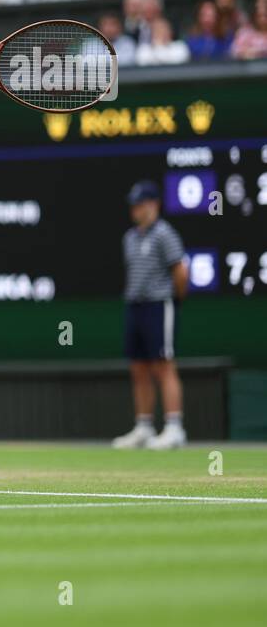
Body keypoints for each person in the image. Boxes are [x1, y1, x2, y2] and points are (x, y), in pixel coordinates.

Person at [113, 181, 189, 450]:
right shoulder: (130, 237)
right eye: (134, 204)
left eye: (141, 203)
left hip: (159, 304)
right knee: (139, 367)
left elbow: (180, 271)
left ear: (154, 204)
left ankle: (174, 427)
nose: (136, 209)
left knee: (163, 364)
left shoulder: (165, 233)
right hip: (135, 305)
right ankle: (144, 427)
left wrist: (174, 298)